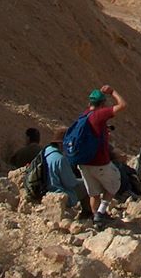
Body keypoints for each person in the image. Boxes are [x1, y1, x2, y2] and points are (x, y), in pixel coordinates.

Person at [80, 85, 127, 227]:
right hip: (99, 161)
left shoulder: (84, 115)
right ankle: (100, 213)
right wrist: (112, 91)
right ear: (102, 104)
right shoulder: (99, 114)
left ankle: (96, 220)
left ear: (89, 103)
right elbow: (122, 105)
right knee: (115, 182)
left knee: (94, 193)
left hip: (83, 162)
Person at [44, 127, 92, 219]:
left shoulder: (46, 152)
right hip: (58, 192)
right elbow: (71, 183)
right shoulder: (60, 159)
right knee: (86, 184)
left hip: (45, 189)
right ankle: (87, 214)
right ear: (61, 143)